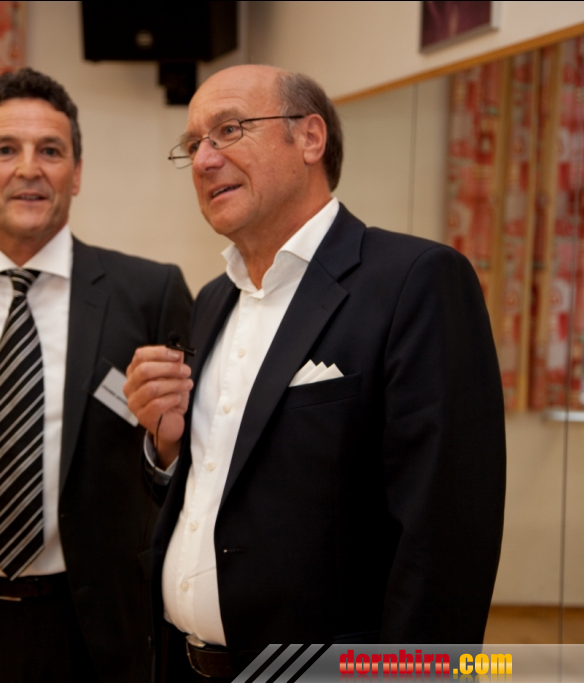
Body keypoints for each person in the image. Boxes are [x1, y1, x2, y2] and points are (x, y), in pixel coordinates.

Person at [123, 65, 506, 681]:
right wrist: (167, 449)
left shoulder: (415, 281)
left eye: (229, 130)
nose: (204, 160)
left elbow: (446, 540)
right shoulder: (213, 300)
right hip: (184, 663)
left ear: (310, 138)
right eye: (193, 144)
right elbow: (220, 491)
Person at [0, 67, 192, 683]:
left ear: (76, 174)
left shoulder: (149, 293)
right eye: (6, 150)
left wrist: (165, 447)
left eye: (50, 151)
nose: (30, 168)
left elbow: (180, 460)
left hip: (96, 627)